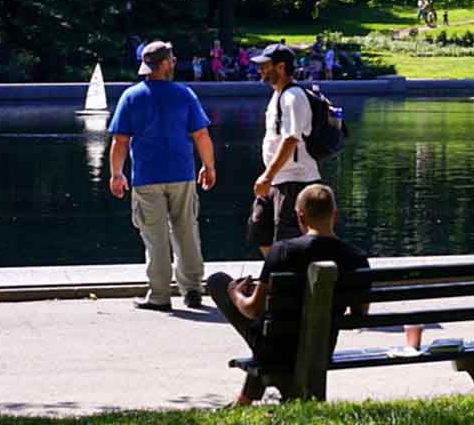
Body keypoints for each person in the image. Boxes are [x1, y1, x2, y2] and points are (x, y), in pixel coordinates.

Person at [208, 183, 370, 406]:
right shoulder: (356, 258)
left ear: (300, 217)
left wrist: (236, 295)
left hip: (275, 347)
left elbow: (254, 310)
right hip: (323, 346)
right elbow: (359, 315)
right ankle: (247, 399)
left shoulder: (282, 251)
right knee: (268, 330)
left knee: (218, 282)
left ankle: (264, 394)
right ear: (335, 215)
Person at [107, 41, 216, 311]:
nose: (175, 61)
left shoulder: (131, 97)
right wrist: (209, 166)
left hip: (147, 177)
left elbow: (120, 140)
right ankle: (192, 290)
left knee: (154, 235)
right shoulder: (184, 94)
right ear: (165, 64)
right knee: (187, 230)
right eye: (172, 58)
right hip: (182, 174)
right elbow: (201, 134)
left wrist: (116, 174)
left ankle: (159, 296)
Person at [248, 44, 323, 255]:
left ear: (280, 67)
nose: (260, 70)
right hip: (277, 180)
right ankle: (275, 276)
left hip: (295, 181)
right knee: (259, 227)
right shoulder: (278, 95)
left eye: (265, 66)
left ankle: (289, 281)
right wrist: (270, 177)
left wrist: (266, 176)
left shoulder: (293, 97)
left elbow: (291, 140)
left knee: (288, 239)